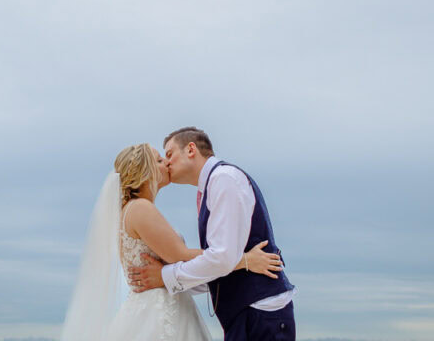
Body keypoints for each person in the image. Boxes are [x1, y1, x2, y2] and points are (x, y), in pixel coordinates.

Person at [59, 142, 283, 341]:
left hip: (160, 305)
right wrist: (244, 260)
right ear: (145, 172)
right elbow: (181, 256)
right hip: (158, 313)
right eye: (159, 160)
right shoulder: (140, 208)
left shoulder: (133, 210)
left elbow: (179, 263)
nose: (166, 163)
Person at [129, 127, 297, 341]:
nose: (167, 162)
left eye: (169, 154)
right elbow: (219, 267)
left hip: (261, 312)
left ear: (191, 149)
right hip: (246, 313)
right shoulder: (210, 187)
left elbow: (221, 259)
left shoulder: (224, 179)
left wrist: (165, 276)